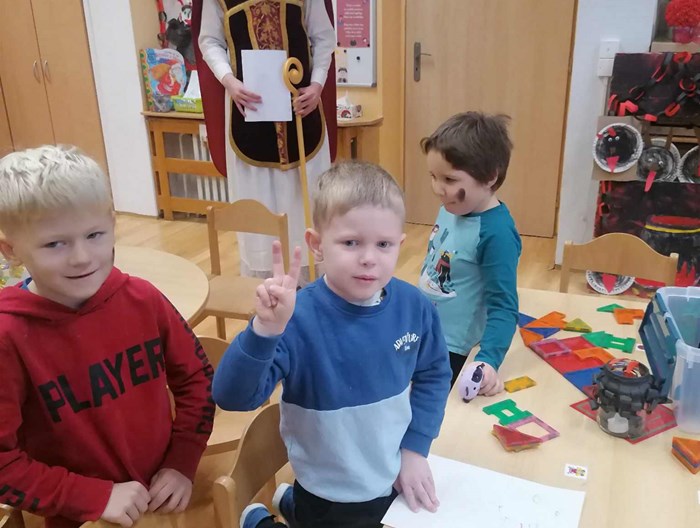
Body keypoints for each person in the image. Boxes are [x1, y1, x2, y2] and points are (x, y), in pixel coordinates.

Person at [212, 161, 452, 528]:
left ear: (400, 245)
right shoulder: (294, 318)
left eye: (383, 244)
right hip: (324, 489)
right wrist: (265, 330)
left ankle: (288, 503)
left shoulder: (415, 307)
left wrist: (415, 448)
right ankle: (261, 520)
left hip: (390, 474)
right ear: (317, 245)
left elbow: (434, 375)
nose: (369, 258)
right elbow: (232, 397)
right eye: (351, 242)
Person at [0, 146, 214, 528]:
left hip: (162, 503)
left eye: (95, 234)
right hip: (79, 520)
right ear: (10, 251)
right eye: (55, 244)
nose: (82, 257)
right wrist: (92, 497)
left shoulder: (143, 299)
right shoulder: (8, 337)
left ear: (113, 224)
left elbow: (198, 379)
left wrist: (183, 459)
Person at [197, 0, 336, 283]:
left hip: (301, 112)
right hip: (249, 113)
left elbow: (323, 38)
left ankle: (313, 287)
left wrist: (317, 85)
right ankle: (264, 287)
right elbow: (209, 41)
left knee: (306, 204)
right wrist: (229, 81)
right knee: (257, 205)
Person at [418, 112, 522, 391]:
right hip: (426, 331)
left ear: (490, 177)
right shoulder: (452, 207)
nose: (438, 189)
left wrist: (488, 361)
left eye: (449, 179)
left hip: (454, 351)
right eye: (433, 176)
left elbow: (504, 306)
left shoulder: (496, 234)